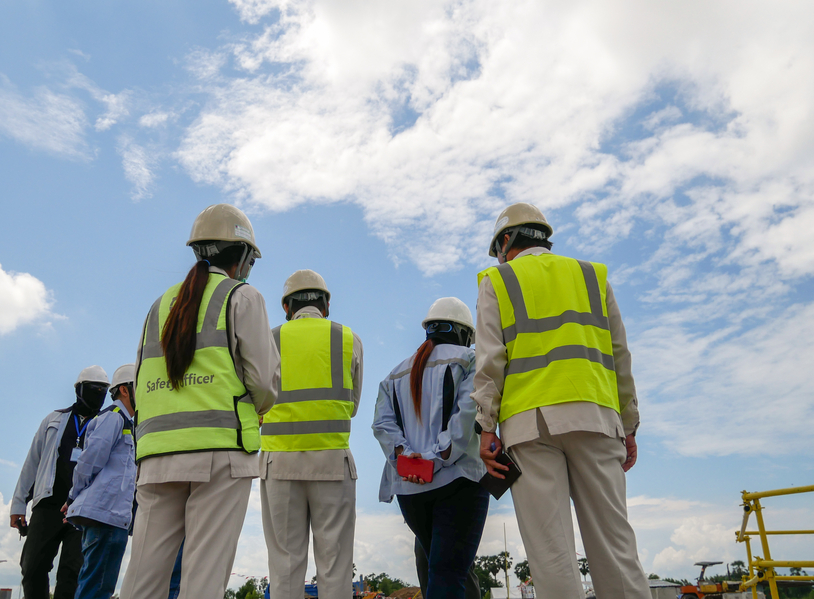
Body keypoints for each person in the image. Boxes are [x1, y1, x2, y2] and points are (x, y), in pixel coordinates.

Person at [472, 202, 650, 599]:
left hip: (530, 426)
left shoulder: (497, 280)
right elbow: (620, 355)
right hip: (597, 418)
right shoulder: (592, 276)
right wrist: (630, 425)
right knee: (616, 546)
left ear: (506, 240)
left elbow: (489, 363)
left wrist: (485, 428)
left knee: (550, 552)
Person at [120, 203, 279, 599]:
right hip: (220, 453)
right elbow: (265, 383)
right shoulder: (241, 296)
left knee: (141, 581)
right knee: (202, 582)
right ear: (242, 255)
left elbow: (140, 383)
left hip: (156, 457)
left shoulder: (159, 305)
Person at [372, 297, 489, 599]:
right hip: (458, 481)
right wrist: (434, 460)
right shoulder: (470, 359)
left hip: (410, 491)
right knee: (448, 574)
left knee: (444, 571)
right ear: (465, 333)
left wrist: (411, 461)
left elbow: (382, 426)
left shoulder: (395, 373)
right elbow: (465, 421)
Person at [259, 269, 363, 599]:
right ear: (326, 304)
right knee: (335, 566)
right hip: (332, 461)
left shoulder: (270, 340)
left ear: (286, 307)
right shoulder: (348, 338)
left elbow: (257, 401)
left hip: (278, 465)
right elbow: (353, 405)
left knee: (285, 567)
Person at [10, 366, 110, 599]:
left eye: (103, 390)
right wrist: (18, 505)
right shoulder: (53, 419)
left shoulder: (108, 423)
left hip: (83, 508)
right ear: (78, 390)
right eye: (93, 389)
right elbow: (32, 463)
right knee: (32, 566)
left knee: (72, 572)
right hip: (48, 504)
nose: (98, 393)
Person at [64, 363, 137, 599]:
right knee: (96, 587)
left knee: (100, 587)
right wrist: (73, 496)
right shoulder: (113, 418)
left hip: (114, 518)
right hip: (104, 515)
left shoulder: (127, 422)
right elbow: (89, 461)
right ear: (125, 390)